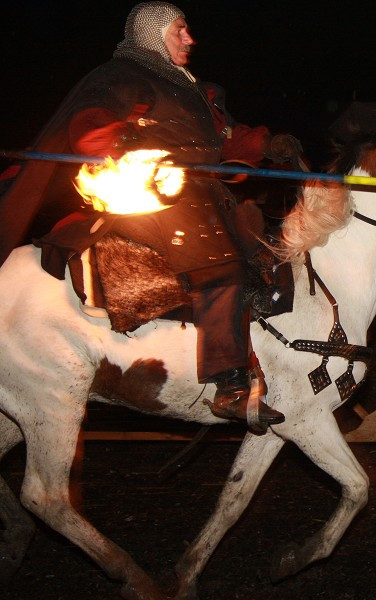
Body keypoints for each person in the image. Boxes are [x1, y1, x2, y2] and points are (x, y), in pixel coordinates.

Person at [0, 2, 293, 431]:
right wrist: (118, 147)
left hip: (203, 197)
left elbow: (220, 139)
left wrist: (265, 145)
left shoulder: (188, 85)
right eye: (180, 30)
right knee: (220, 269)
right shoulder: (124, 76)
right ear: (153, 33)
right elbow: (92, 120)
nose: (190, 39)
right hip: (157, 199)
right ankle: (229, 385)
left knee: (263, 245)